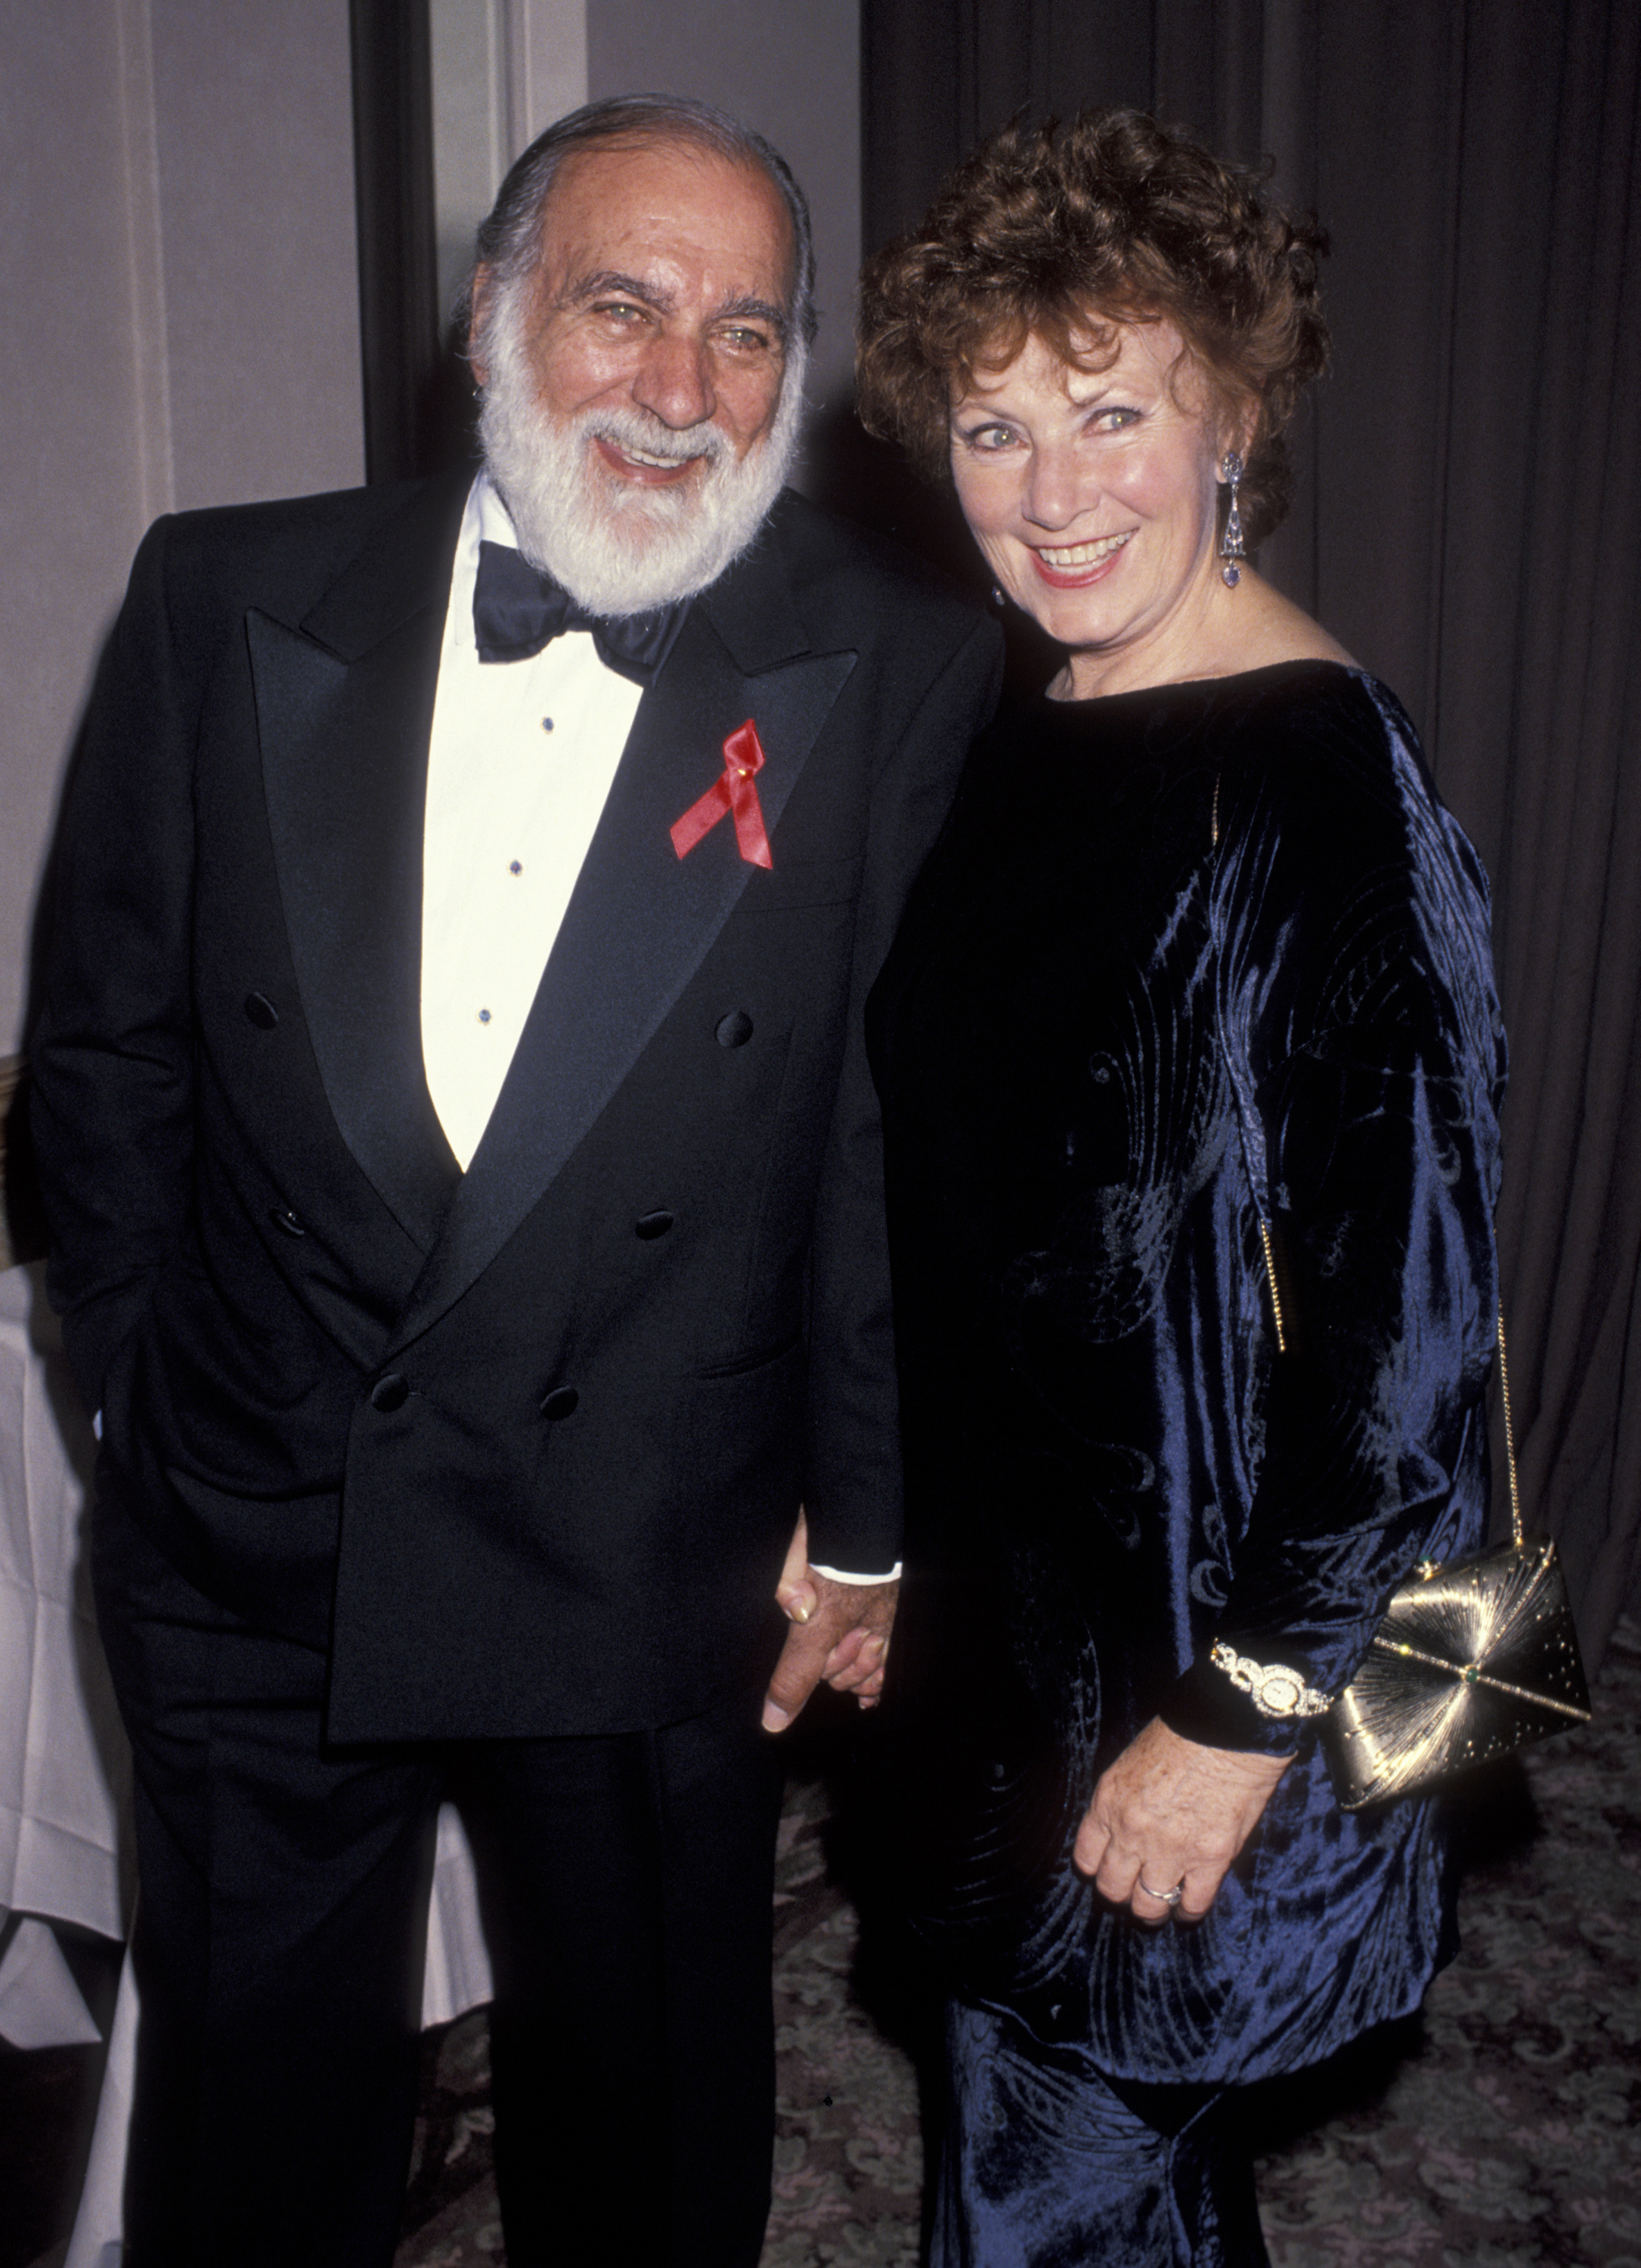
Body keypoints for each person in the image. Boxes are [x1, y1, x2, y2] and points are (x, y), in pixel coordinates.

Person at [29, 94, 1000, 2268]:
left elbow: (875, 1130)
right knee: (250, 2134)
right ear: (494, 316)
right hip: (259, 1533)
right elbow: (104, 1053)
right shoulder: (224, 594)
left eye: (746, 333)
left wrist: (859, 1523)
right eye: (621, 308)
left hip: (646, 1551)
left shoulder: (895, 659)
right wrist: (131, 1397)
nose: (680, 390)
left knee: (641, 2143)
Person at [855, 110, 1507, 2265]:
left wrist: (1233, 1719)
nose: (1052, 493)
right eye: (991, 425)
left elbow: (1412, 1331)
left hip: (1194, 1665)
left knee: (1050, 2200)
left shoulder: (1314, 770)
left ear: (1232, 411)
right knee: (1087, 2182)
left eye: (1111, 412)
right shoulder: (1036, 717)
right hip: (1010, 1635)